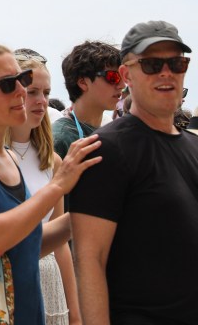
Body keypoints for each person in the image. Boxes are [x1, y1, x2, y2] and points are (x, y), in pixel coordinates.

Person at [0, 43, 101, 325]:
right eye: (8, 84)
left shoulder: (9, 156)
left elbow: (28, 243)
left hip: (24, 310)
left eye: (23, 81)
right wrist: (58, 186)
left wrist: (96, 208)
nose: (22, 91)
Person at [71, 21, 198, 324]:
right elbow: (90, 259)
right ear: (127, 75)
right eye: (152, 64)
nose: (166, 72)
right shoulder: (106, 149)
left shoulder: (193, 146)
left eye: (177, 63)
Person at [7, 55, 79, 325]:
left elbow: (60, 244)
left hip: (48, 278)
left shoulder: (52, 161)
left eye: (46, 92)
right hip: (5, 278)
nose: (41, 100)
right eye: (32, 91)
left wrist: (75, 313)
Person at [52, 41, 122, 160]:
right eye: (113, 77)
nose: (122, 84)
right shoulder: (60, 138)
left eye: (123, 76)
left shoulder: (115, 133)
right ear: (83, 82)